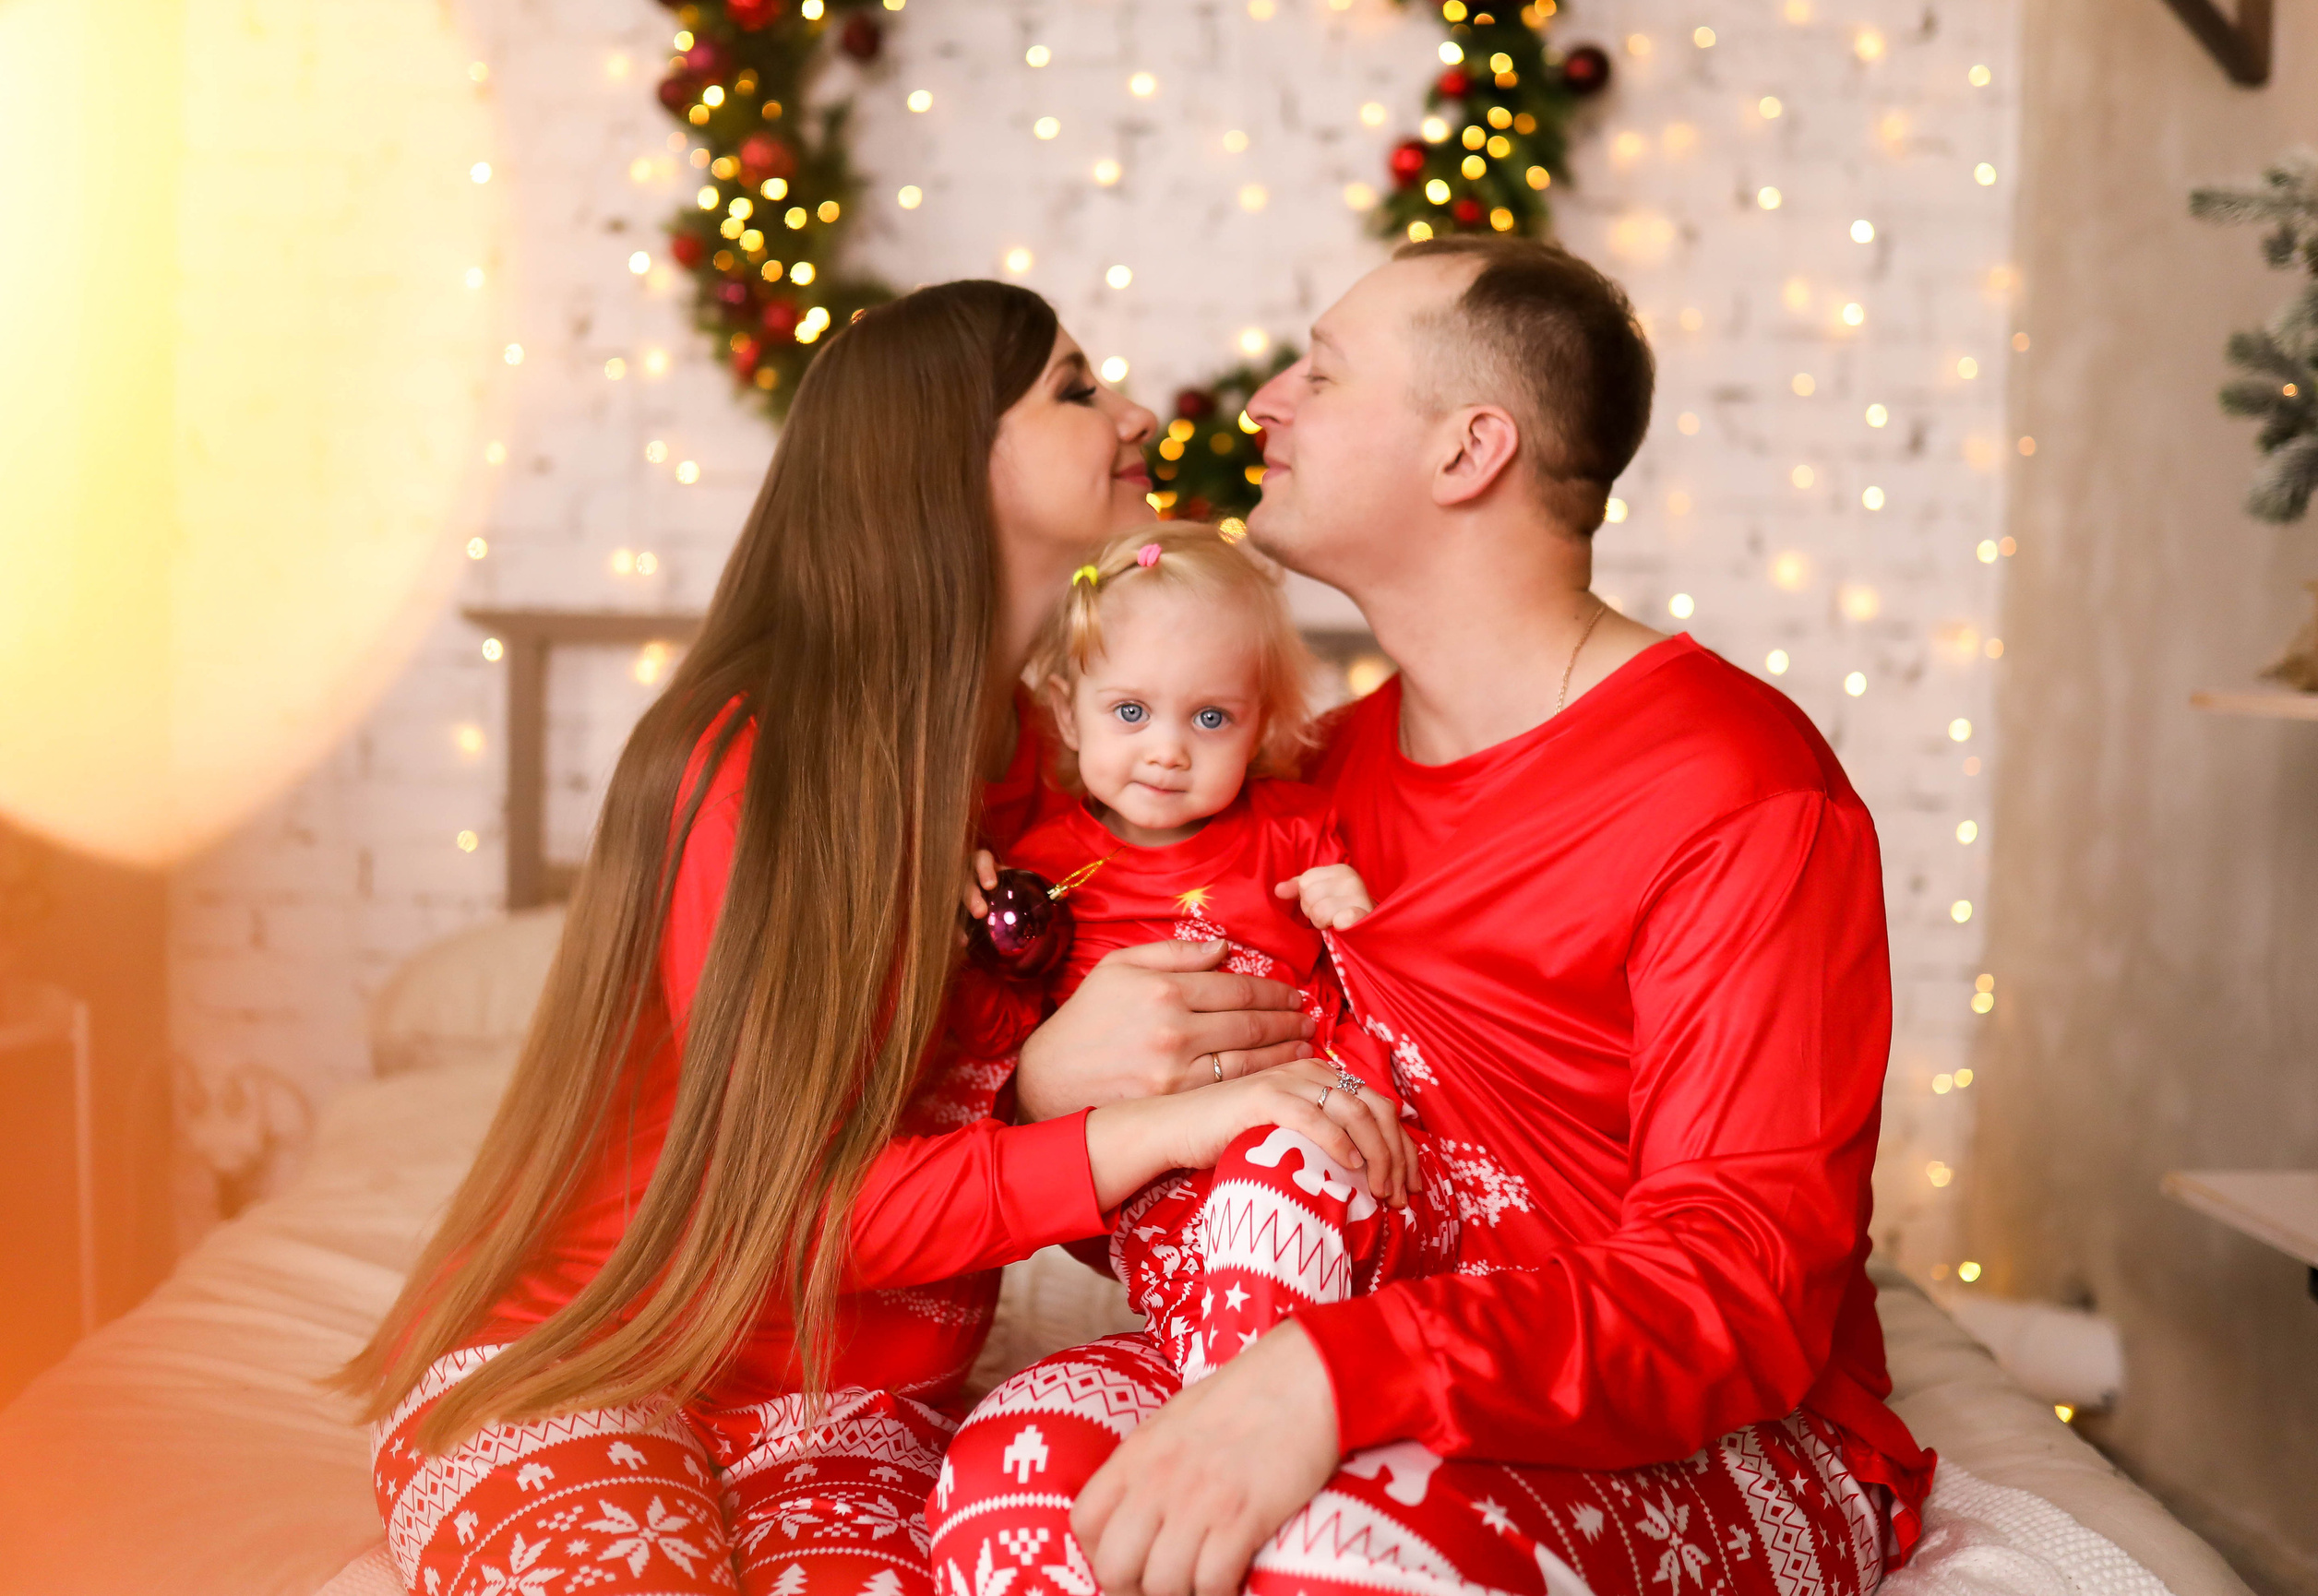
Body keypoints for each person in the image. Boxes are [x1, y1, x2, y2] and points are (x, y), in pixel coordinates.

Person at [337, 281, 1416, 1596]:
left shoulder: (1067, 770)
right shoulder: (753, 762)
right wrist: (1150, 1120)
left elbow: (985, 1110)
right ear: (948, 452)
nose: (1136, 413)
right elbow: (790, 1204)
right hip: (606, 1351)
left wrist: (1068, 1087)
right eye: (1078, 389)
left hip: (861, 1403)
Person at [928, 237, 1934, 1596]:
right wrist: (1055, 1078)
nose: (1263, 401)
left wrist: (1330, 1377)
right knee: (1015, 1484)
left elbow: (1735, 1293)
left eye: (1322, 374)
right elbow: (1199, 1203)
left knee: (1327, 1550)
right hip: (1344, 1336)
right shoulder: (1302, 784)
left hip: (1722, 1438)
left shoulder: (1738, 787)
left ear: (1470, 451)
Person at [959, 521, 1456, 1385]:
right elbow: (994, 1041)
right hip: (1143, 1170)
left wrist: (1352, 911)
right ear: (1067, 709)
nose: (1167, 749)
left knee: (1310, 1168)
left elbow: (1367, 995)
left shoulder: (1291, 832)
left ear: (1257, 722)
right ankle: (1237, 1382)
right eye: (1130, 711)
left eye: (1211, 717)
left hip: (1302, 1119)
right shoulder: (1036, 871)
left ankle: (1252, 1376)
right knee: (1177, 1225)